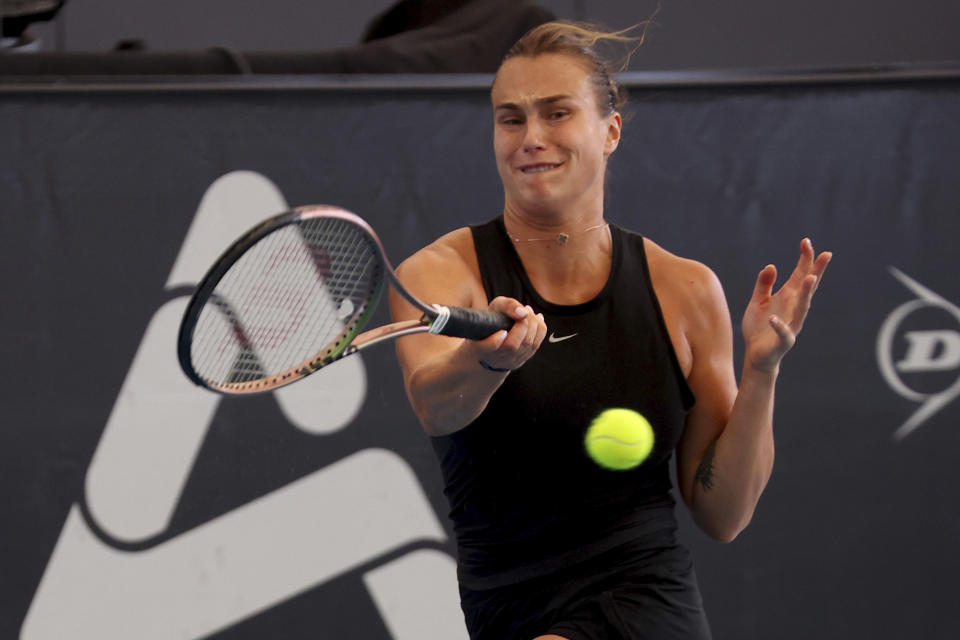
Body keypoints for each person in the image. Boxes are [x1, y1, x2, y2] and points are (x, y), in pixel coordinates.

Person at [389, 21, 832, 640]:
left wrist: (762, 372)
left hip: (644, 594)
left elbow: (723, 514)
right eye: (510, 119)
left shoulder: (686, 290)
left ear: (611, 131)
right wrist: (488, 361)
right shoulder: (439, 272)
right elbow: (436, 406)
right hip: (505, 605)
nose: (531, 138)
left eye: (557, 113)